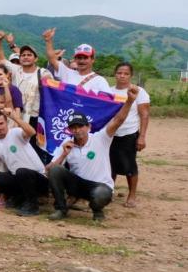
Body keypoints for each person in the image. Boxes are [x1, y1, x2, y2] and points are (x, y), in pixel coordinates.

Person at [46, 85, 140, 222]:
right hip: (78, 185)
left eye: (80, 126)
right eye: (73, 127)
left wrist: (130, 101)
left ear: (89, 126)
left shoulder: (101, 138)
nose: (77, 130)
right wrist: (63, 155)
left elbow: (118, 120)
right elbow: (48, 170)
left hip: (99, 185)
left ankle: (97, 210)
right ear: (69, 130)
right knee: (56, 170)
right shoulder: (67, 143)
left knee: (101, 194)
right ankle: (61, 209)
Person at [0, 109, 48, 217]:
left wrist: (15, 117)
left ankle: (32, 206)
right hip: (18, 177)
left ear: (6, 122)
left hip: (38, 178)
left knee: (21, 172)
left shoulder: (16, 132)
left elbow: (32, 132)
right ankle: (19, 197)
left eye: (1, 123)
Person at [109, 63, 150, 208]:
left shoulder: (138, 91)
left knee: (129, 165)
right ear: (115, 74)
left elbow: (144, 115)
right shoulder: (109, 91)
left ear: (130, 75)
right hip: (111, 134)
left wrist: (142, 136)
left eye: (126, 73)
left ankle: (132, 195)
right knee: (109, 165)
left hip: (129, 133)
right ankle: (109, 191)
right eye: (119, 73)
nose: (122, 76)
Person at [43, 28, 109, 93]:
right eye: (79, 58)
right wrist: (48, 41)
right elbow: (52, 59)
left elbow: (109, 101)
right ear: (75, 59)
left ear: (92, 60)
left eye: (85, 58)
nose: (82, 61)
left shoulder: (100, 81)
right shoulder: (67, 73)